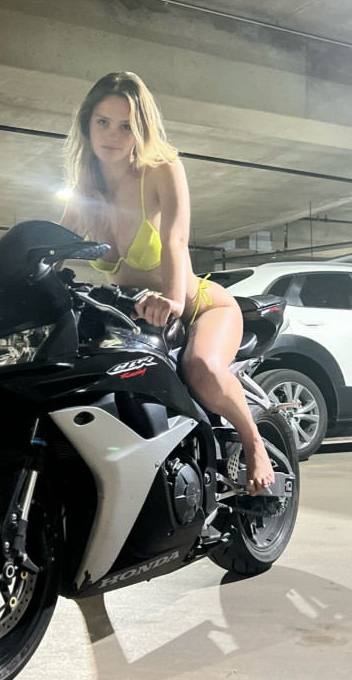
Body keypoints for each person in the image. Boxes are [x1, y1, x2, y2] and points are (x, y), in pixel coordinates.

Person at [60, 71, 275, 495]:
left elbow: (176, 240)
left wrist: (173, 300)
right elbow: (52, 243)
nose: (112, 135)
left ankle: (254, 443)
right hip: (139, 317)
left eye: (126, 126)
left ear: (141, 129)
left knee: (202, 369)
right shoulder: (85, 187)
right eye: (103, 122)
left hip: (199, 306)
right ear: (87, 123)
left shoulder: (161, 169)